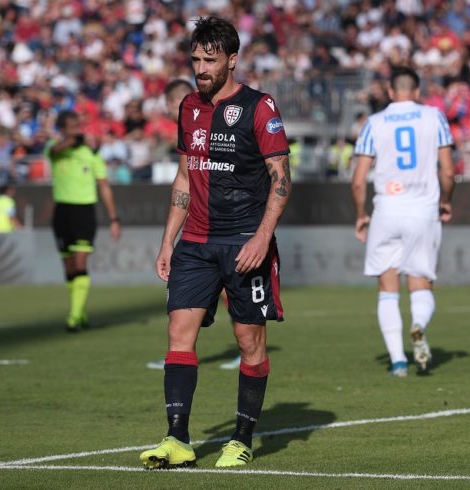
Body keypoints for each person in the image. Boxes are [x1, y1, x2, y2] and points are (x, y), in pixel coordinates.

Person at [140, 17, 291, 470]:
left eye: (210, 60)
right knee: (178, 333)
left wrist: (263, 238)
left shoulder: (259, 107)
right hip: (196, 243)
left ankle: (242, 438)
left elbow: (281, 179)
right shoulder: (187, 107)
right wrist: (168, 241)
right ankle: (177, 439)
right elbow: (184, 177)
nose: (201, 68)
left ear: (232, 59)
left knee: (249, 342)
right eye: (196, 59)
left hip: (245, 243)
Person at [351, 68, 455, 377]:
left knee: (387, 287)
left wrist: (360, 215)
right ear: (418, 91)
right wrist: (446, 200)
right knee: (421, 282)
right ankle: (419, 326)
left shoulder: (374, 122)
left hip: (386, 210)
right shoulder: (434, 117)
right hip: (422, 208)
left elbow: (358, 181)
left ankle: (398, 361)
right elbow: (448, 171)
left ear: (391, 92)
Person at [145, 78, 241, 372]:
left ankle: (244, 349)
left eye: (171, 105)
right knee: (190, 293)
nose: (171, 110)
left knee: (227, 291)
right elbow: (185, 179)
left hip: (224, 226)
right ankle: (179, 352)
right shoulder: (190, 125)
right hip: (199, 227)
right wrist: (168, 239)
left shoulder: (213, 120)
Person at [46, 110, 121, 332]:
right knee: (68, 266)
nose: (75, 131)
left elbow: (104, 186)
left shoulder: (92, 154)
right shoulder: (57, 150)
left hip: (84, 211)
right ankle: (80, 311)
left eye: (76, 126)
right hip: (62, 212)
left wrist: (114, 218)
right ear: (62, 129)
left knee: (80, 263)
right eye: (69, 127)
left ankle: (74, 316)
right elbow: (53, 150)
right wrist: (69, 141)